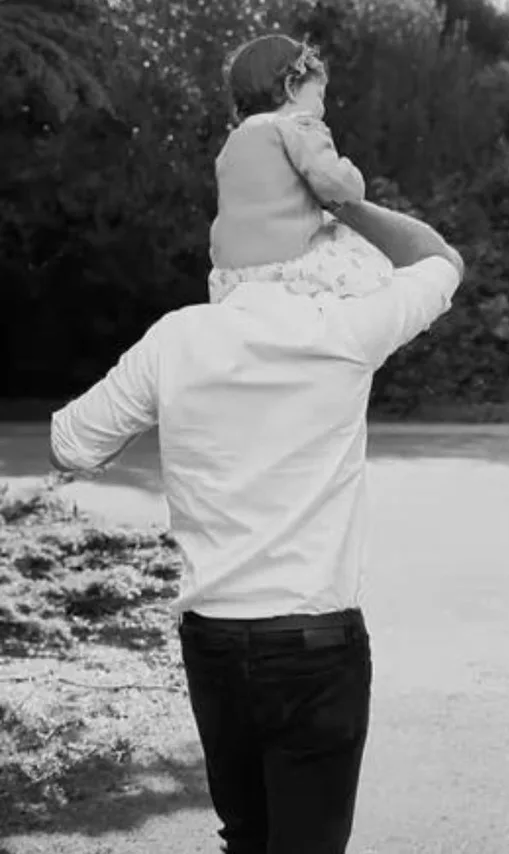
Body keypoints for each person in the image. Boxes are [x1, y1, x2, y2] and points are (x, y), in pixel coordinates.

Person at [48, 200, 465, 854]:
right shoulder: (344, 329)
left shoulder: (178, 338)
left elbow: (69, 444)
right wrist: (345, 198)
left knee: (245, 838)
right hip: (315, 647)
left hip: (213, 642)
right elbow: (441, 261)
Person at [208, 34, 391, 304]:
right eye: (319, 96)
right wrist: (352, 177)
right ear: (292, 87)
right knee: (357, 242)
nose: (322, 109)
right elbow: (334, 183)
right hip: (284, 267)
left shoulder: (233, 144)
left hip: (229, 278)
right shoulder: (296, 125)